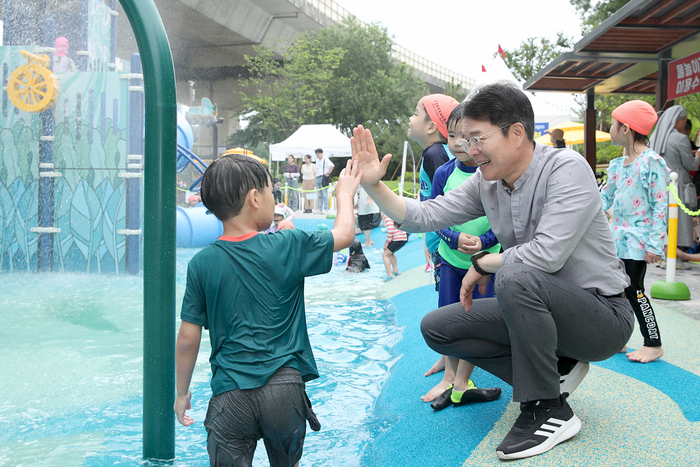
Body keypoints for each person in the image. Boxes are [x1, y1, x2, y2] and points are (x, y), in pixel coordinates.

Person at [351, 81, 634, 460]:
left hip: (602, 318)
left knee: (515, 273)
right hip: (544, 311)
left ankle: (547, 409)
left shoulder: (565, 168)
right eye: (465, 140)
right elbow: (426, 214)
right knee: (438, 327)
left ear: (516, 132)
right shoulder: (486, 181)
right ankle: (554, 372)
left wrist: (481, 263)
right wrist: (374, 185)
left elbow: (546, 255)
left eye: (478, 138)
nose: (469, 150)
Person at [174, 154, 362, 467]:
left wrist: (182, 393)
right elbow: (344, 235)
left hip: (229, 395)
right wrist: (344, 194)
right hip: (283, 390)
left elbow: (187, 339)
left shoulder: (201, 264)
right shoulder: (286, 244)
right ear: (254, 198)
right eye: (272, 192)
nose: (274, 200)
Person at [424, 104, 502, 409]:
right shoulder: (444, 172)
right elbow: (435, 216)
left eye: (465, 137)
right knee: (447, 319)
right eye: (452, 136)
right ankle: (451, 377)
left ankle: (460, 381)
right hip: (451, 261)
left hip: (485, 263)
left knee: (475, 321)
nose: (458, 144)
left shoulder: (491, 172)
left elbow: (501, 220)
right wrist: (454, 238)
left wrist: (483, 241)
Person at [600, 100, 669, 364]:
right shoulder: (618, 164)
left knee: (635, 290)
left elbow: (660, 204)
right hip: (617, 240)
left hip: (639, 242)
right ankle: (619, 338)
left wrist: (654, 244)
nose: (610, 130)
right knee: (616, 289)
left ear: (626, 129)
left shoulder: (653, 162)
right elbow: (602, 199)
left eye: (613, 125)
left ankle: (653, 342)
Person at [411, 94, 459, 273]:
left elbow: (447, 203)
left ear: (431, 127)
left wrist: (438, 237)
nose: (410, 119)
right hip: (442, 241)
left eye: (415, 114)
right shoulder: (442, 152)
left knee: (452, 301)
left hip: (446, 247)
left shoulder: (435, 155)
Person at [649, 105, 699, 252]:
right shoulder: (680, 138)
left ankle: (663, 255)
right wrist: (697, 157)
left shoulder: (655, 137)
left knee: (663, 219)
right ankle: (674, 255)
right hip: (678, 185)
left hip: (660, 183)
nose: (685, 123)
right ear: (678, 121)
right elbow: (691, 165)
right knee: (678, 221)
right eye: (684, 120)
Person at [382, 213, 407, 281]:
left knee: (385, 255)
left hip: (397, 239)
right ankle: (395, 270)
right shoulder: (395, 213)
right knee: (390, 253)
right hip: (403, 237)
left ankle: (389, 274)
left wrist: (386, 243)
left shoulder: (388, 215)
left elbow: (390, 229)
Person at [315, 148, 334, 213]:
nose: (317, 155)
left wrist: (328, 173)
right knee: (320, 194)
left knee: (324, 194)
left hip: (323, 178)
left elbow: (332, 166)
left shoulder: (325, 160)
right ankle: (320, 208)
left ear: (322, 153)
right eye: (316, 153)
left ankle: (326, 208)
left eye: (318, 153)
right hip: (317, 177)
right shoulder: (317, 161)